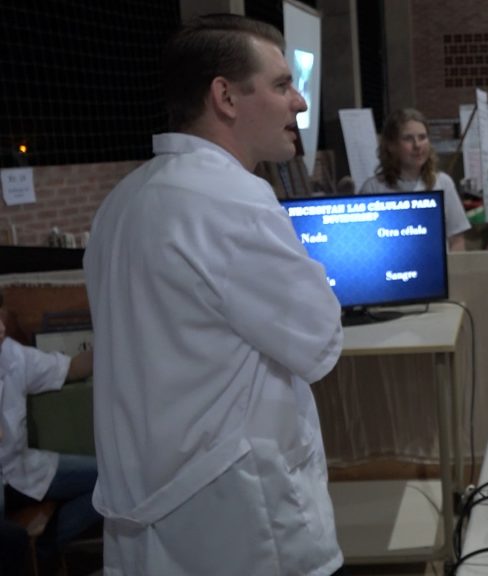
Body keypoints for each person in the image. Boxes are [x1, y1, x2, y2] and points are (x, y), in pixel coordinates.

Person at [83, 15, 346, 575]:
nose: (299, 103)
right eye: (281, 84)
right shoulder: (233, 199)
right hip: (242, 523)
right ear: (225, 97)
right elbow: (320, 342)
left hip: (147, 511)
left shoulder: (122, 202)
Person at [0, 298, 101, 559]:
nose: (1, 327)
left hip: (19, 467)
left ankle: (45, 545)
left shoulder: (13, 355)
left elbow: (71, 369)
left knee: (109, 478)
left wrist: (108, 343)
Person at [360, 108, 471, 251]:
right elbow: (366, 243)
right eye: (408, 138)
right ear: (391, 145)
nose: (417, 145)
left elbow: (456, 239)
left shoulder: (443, 183)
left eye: (422, 137)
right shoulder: (373, 188)